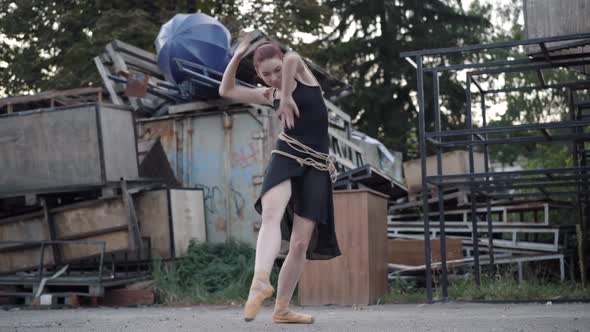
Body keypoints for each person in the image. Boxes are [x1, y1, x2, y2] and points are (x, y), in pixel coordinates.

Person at [219, 31, 341, 324]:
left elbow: (294, 58)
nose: (273, 78)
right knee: (271, 213)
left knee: (299, 243)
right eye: (266, 74)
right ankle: (260, 280)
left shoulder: (306, 79)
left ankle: (282, 309)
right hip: (286, 155)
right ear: (260, 76)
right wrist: (238, 55)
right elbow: (227, 90)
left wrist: (287, 95)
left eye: (276, 70)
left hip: (317, 166)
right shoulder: (268, 95)